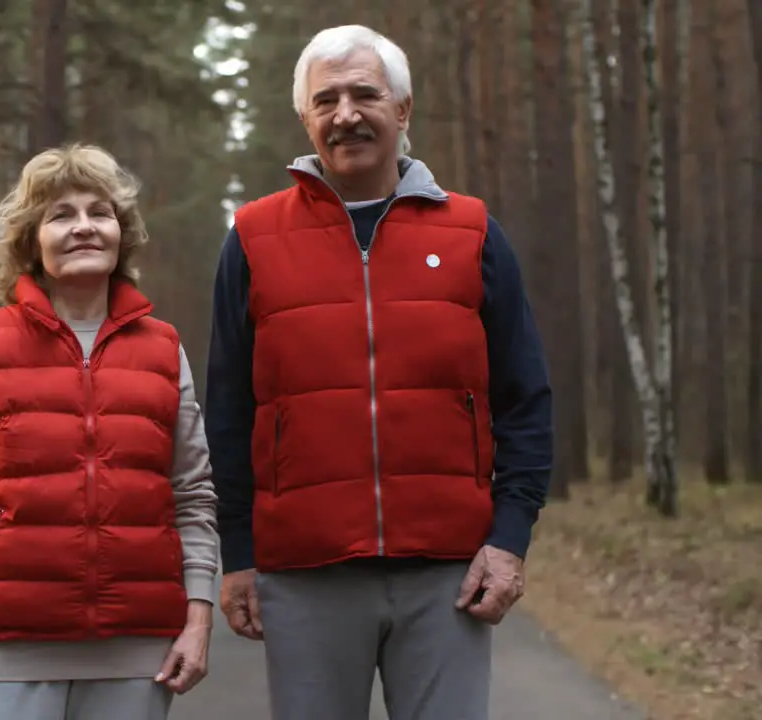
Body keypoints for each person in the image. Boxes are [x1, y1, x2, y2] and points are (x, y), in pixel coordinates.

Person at [205, 24, 553, 720]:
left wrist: (509, 541)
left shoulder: (473, 232)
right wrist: (238, 551)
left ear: (403, 110)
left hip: (447, 573)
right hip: (304, 574)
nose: (346, 115)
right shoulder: (252, 238)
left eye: (366, 94)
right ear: (305, 119)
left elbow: (525, 401)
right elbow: (228, 411)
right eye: (326, 99)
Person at [0, 143, 220, 720]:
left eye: (99, 213)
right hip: (2, 653)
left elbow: (193, 495)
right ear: (31, 240)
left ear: (121, 234)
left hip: (137, 654)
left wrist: (198, 620)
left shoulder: (163, 348)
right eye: (61, 215)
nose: (84, 227)